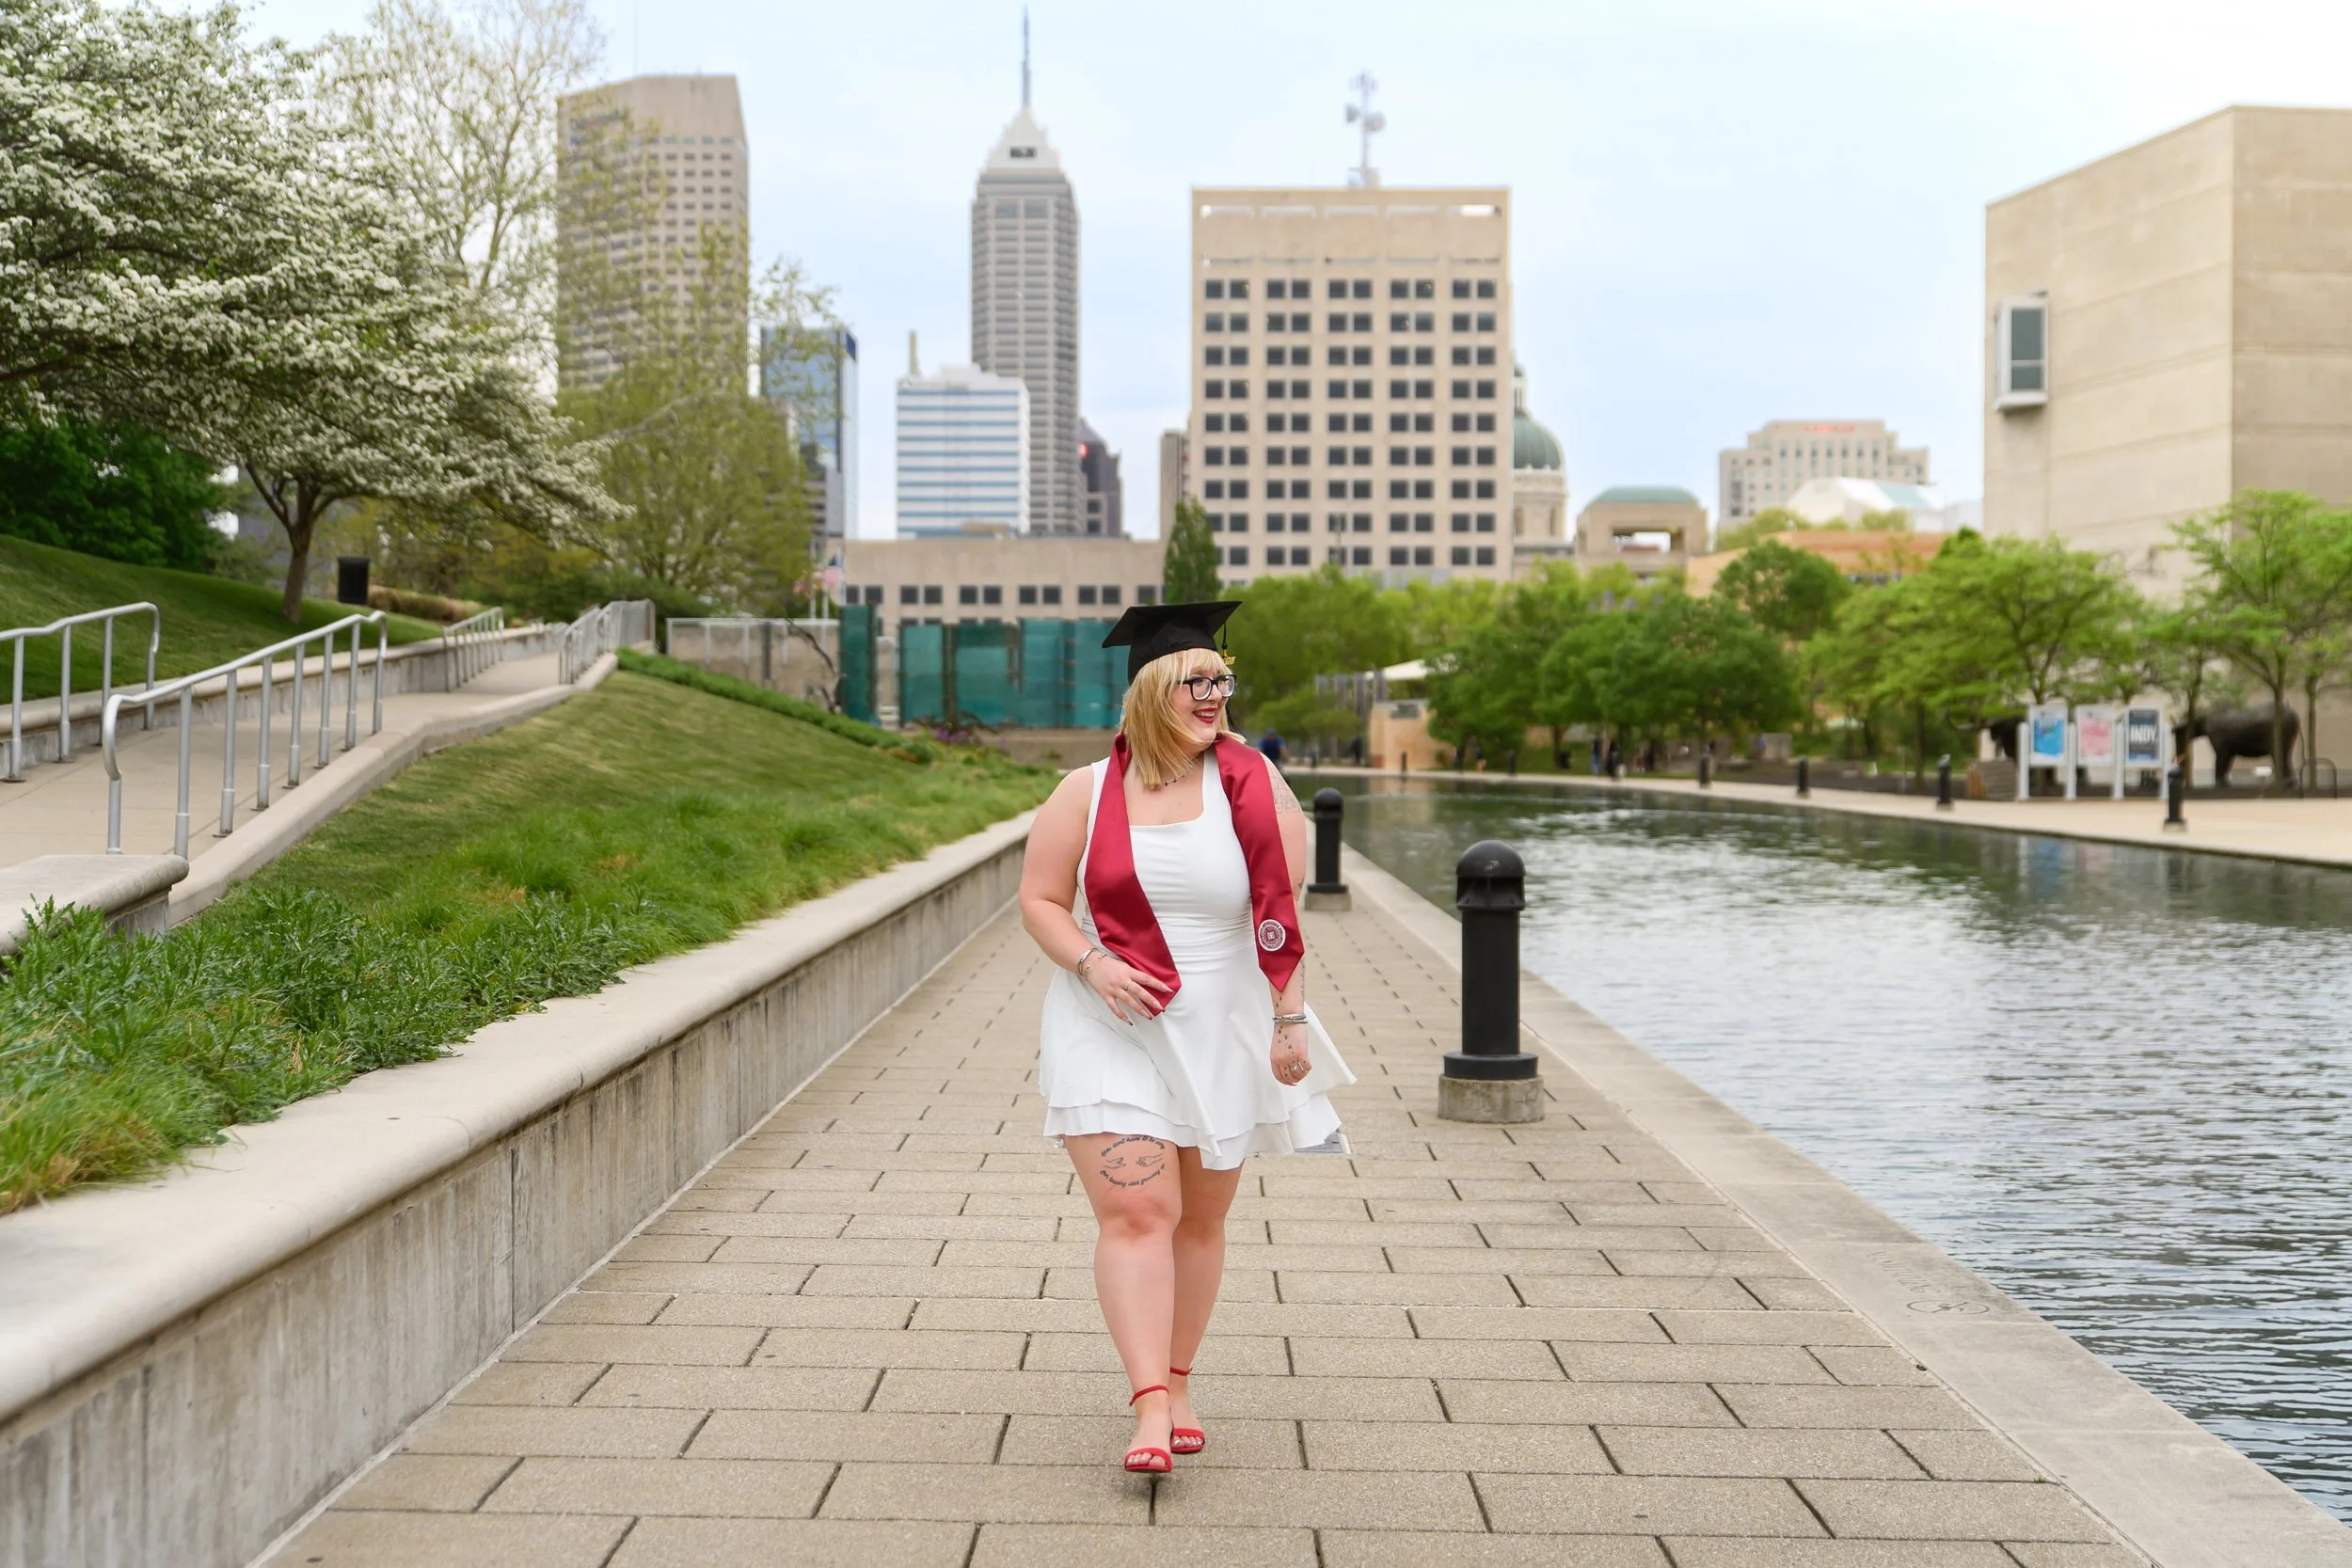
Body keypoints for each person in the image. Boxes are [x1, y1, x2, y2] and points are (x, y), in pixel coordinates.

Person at [1018, 601, 1355, 1476]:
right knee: (1140, 1210)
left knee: (1200, 1221)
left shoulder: (1256, 785)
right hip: (1112, 1019)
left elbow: (1279, 916)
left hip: (1222, 1019)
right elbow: (1040, 902)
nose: (1213, 696)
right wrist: (1092, 963)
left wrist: (1289, 1020)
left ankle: (1180, 1376)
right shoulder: (1085, 792)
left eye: (1221, 679)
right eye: (1194, 681)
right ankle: (1149, 1407)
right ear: (1150, 689)